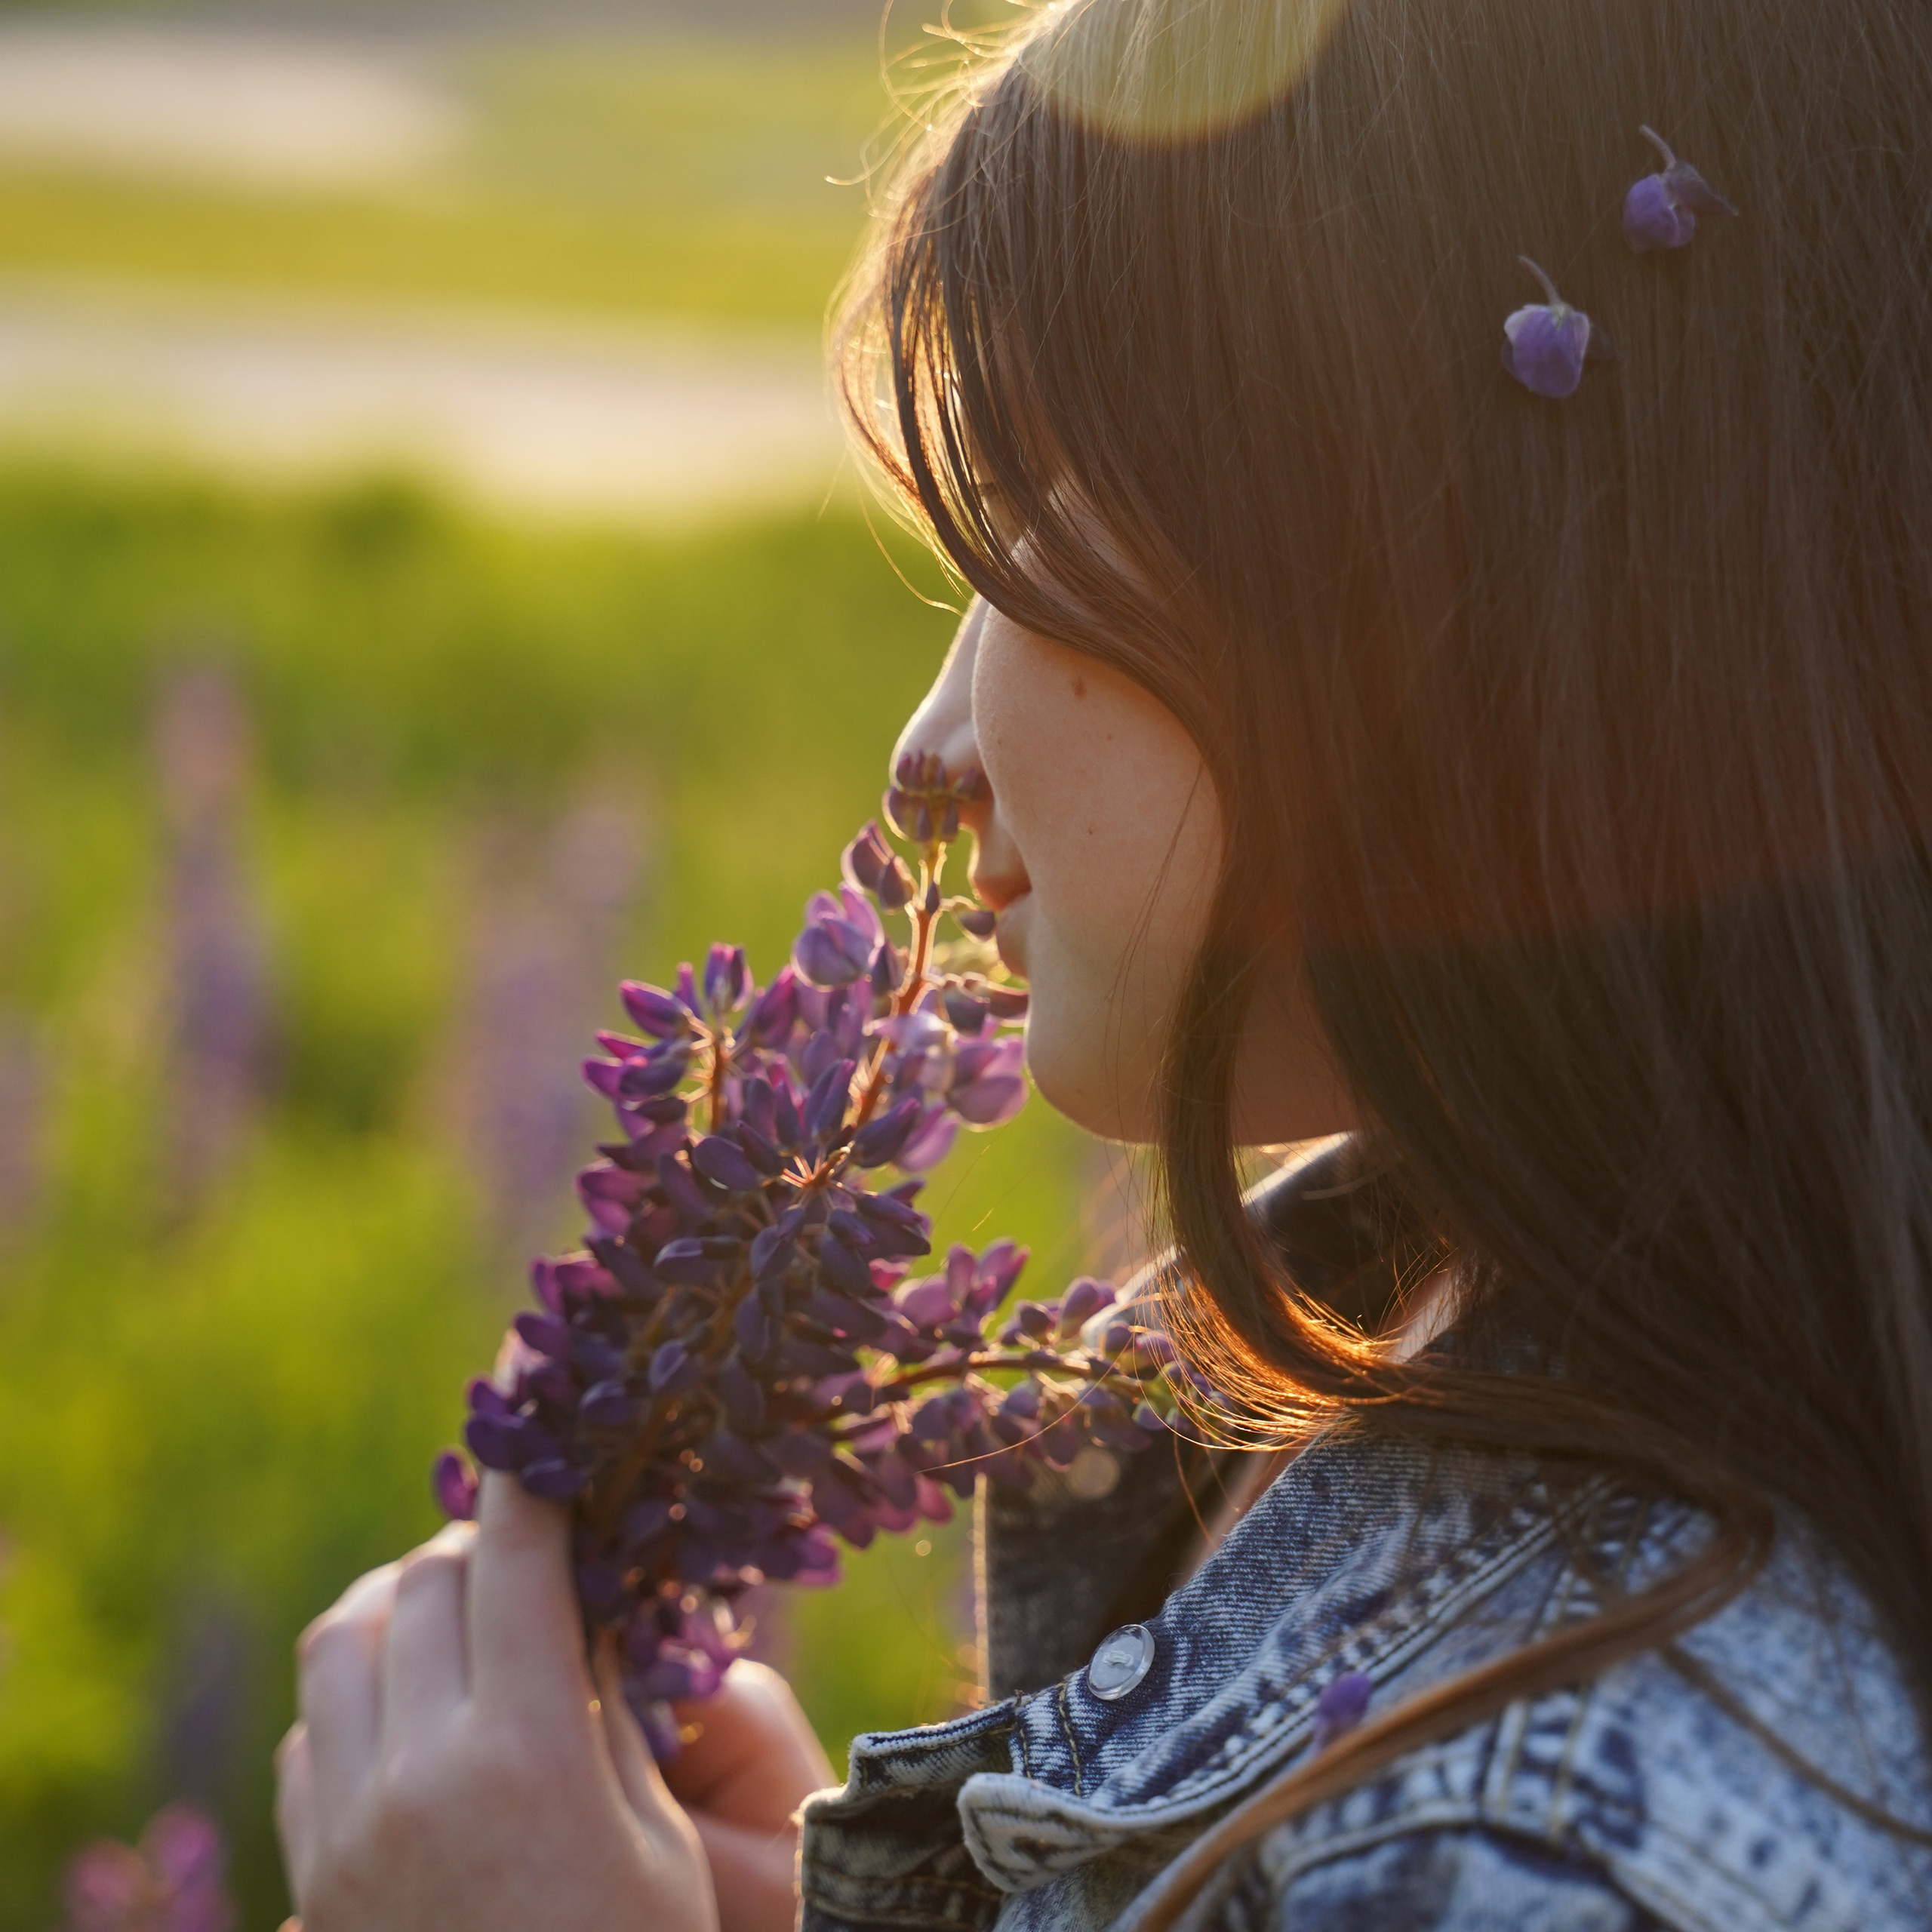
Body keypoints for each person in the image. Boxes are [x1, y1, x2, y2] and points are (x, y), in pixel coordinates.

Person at [272, 0, 1932, 1923]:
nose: (924, 755)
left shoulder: (1535, 1854)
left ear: (1455, 588)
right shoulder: (1449, 1389)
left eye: (1032, 514)